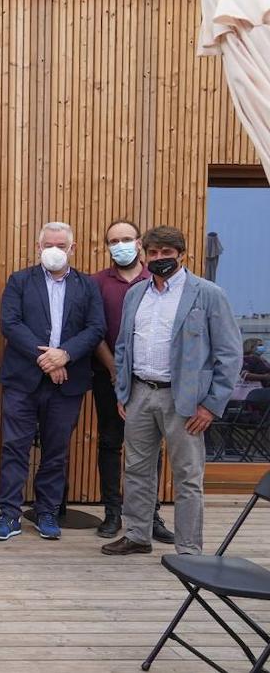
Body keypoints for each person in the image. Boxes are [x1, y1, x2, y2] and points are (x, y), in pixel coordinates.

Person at [102, 226, 241, 557]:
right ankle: (137, 534)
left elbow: (230, 353)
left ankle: (189, 549)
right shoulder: (137, 293)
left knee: (187, 476)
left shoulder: (207, 294)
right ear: (145, 254)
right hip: (139, 393)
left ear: (181, 254)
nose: (159, 258)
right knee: (136, 468)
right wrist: (123, 391)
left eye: (166, 252)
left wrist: (211, 405)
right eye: (153, 253)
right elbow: (123, 345)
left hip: (187, 402)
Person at [0, 222, 105, 542]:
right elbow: (10, 324)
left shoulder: (87, 286)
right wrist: (47, 360)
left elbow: (95, 328)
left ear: (73, 248)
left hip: (68, 381)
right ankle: (8, 514)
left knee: (56, 450)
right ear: (38, 247)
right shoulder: (20, 281)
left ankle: (46, 512)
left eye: (61, 245)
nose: (54, 251)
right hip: (23, 379)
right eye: (48, 245)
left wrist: (64, 355)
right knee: (15, 447)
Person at [89, 220, 174, 542]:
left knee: (152, 449)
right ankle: (112, 512)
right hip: (107, 375)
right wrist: (114, 369)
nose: (120, 245)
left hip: (152, 381)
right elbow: (95, 330)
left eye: (126, 239)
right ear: (107, 246)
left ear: (139, 243)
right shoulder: (97, 283)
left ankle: (149, 515)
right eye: (114, 240)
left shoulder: (156, 279)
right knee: (110, 442)